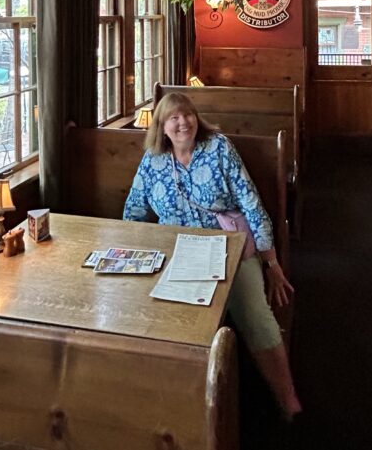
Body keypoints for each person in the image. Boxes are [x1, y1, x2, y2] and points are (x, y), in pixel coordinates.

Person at [124, 91, 302, 420]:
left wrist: (271, 262)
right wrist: (132, 253)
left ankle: (287, 398)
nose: (183, 122)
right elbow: (134, 211)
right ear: (161, 127)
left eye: (188, 114)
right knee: (170, 319)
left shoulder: (219, 148)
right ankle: (184, 408)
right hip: (176, 251)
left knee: (256, 315)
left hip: (228, 246)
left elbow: (251, 204)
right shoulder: (153, 160)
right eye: (174, 118)